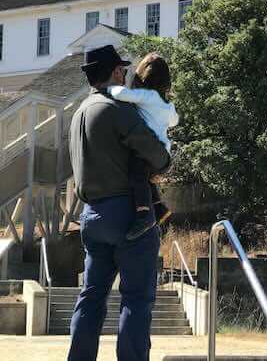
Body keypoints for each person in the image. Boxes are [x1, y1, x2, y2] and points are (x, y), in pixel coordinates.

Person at [68, 45, 170, 361]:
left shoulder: (78, 114)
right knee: (136, 299)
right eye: (122, 71)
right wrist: (165, 164)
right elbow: (155, 152)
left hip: (91, 216)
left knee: (91, 297)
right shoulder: (116, 109)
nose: (125, 76)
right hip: (127, 212)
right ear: (114, 72)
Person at [107, 53, 178, 240]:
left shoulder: (146, 96)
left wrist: (109, 90)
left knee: (136, 175)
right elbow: (174, 121)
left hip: (148, 148)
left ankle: (144, 214)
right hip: (163, 150)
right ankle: (159, 207)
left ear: (142, 77)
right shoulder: (167, 104)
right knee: (145, 179)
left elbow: (122, 94)